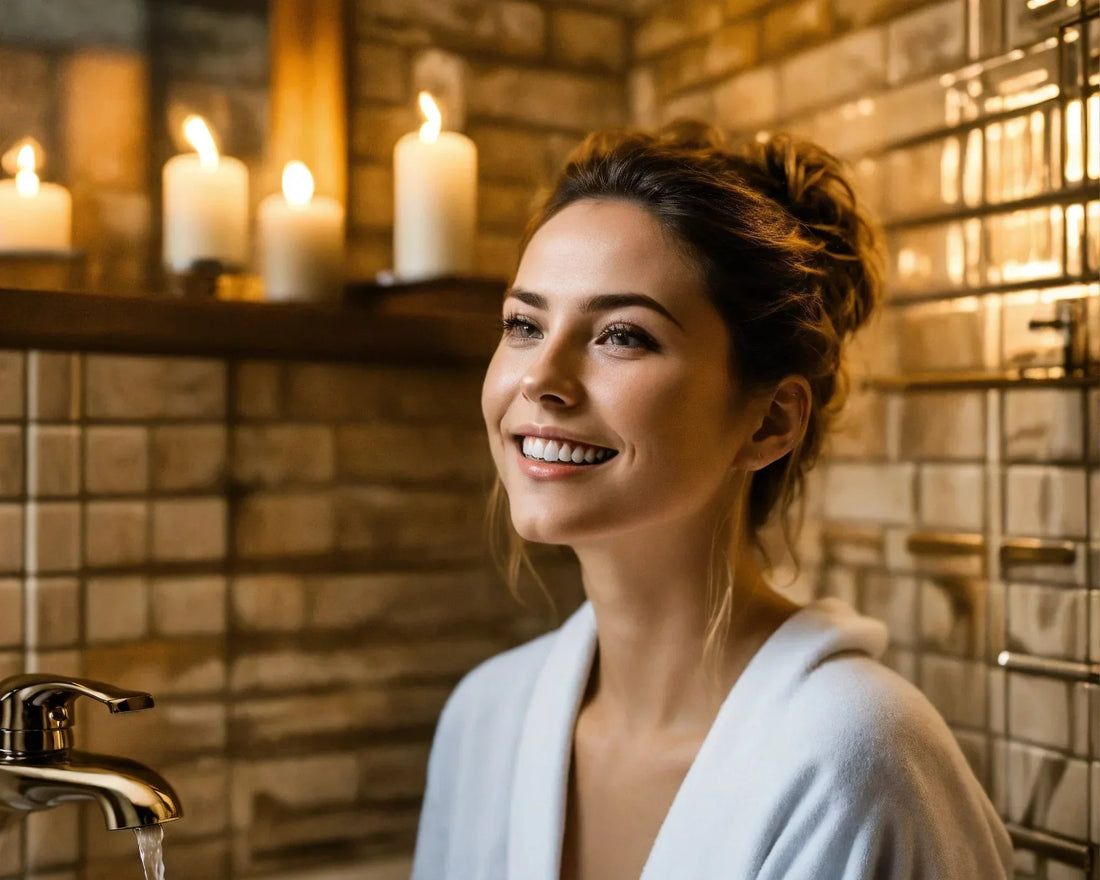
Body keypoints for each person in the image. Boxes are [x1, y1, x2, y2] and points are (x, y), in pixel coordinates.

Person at [410, 119, 1013, 880]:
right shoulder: (485, 720)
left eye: (622, 336)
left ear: (769, 420)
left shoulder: (859, 759)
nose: (539, 378)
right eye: (525, 324)